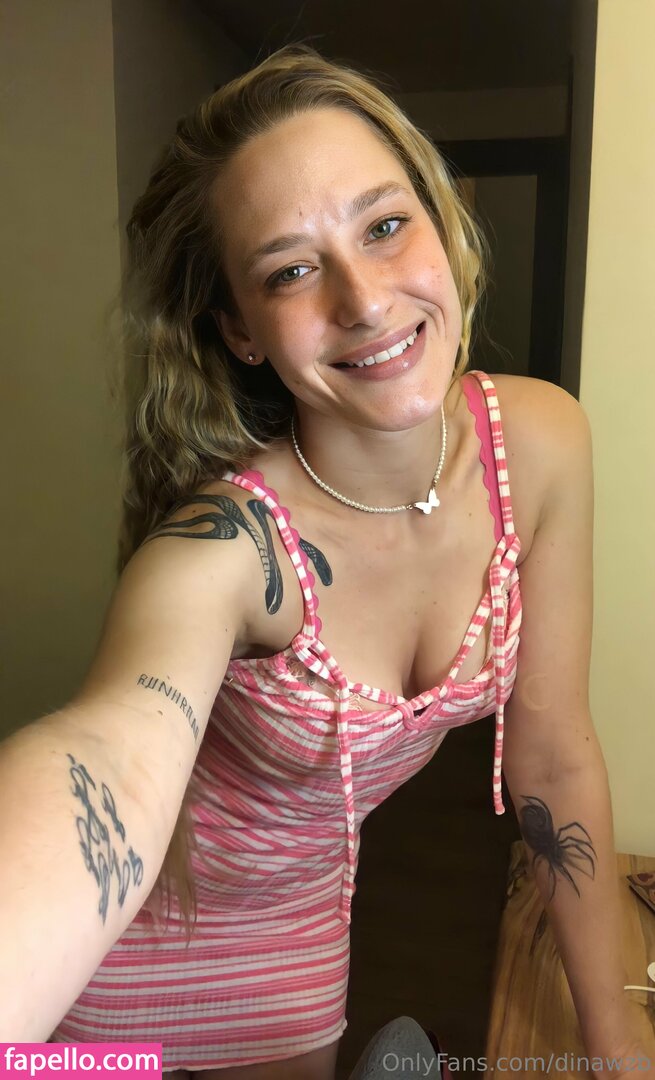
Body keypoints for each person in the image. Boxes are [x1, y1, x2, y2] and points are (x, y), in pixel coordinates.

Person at [1, 42, 653, 1080]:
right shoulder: (225, 546)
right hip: (115, 956)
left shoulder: (539, 443)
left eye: (384, 226)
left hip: (298, 934)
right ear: (241, 330)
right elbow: (111, 757)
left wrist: (615, 1045)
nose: (364, 300)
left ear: (441, 222)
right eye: (290, 270)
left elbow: (553, 753)